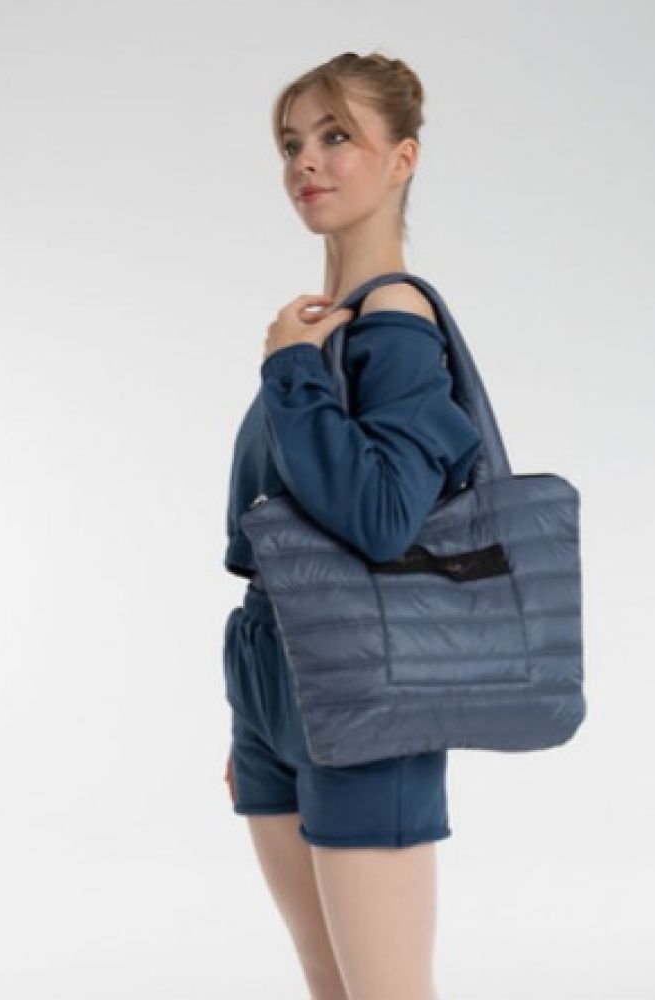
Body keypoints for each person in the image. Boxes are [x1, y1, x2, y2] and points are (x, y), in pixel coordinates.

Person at [221, 51, 482, 1000]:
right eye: (292, 142)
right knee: (329, 987)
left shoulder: (395, 323)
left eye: (338, 137)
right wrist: (255, 716)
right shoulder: (322, 325)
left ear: (403, 158)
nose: (306, 162)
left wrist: (291, 370)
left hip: (367, 692)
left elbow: (380, 518)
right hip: (277, 680)